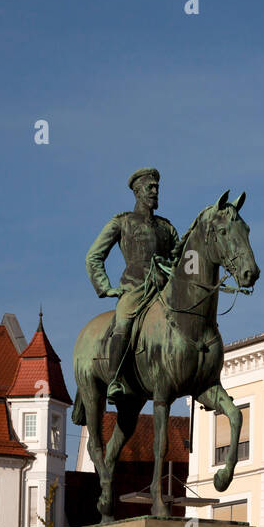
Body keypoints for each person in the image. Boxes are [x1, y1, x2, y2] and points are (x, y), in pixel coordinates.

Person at [84, 167, 180, 405]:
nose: (155, 192)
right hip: (135, 288)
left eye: (157, 188)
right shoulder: (122, 222)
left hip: (164, 290)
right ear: (138, 191)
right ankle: (115, 378)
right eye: (150, 187)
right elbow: (93, 256)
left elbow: (182, 260)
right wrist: (105, 287)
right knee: (124, 321)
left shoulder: (166, 228)